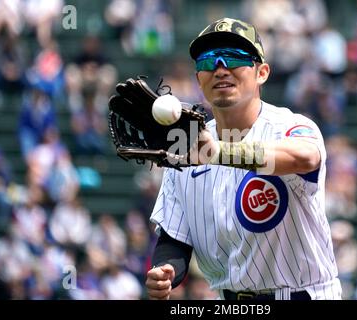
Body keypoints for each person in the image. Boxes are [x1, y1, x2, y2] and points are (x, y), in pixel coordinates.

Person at [146, 17, 342, 300]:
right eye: (208, 60)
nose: (220, 68)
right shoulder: (185, 150)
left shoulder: (289, 126)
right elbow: (175, 237)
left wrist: (219, 153)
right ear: (198, 78)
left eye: (234, 57)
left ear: (262, 72)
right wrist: (165, 271)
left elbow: (305, 158)